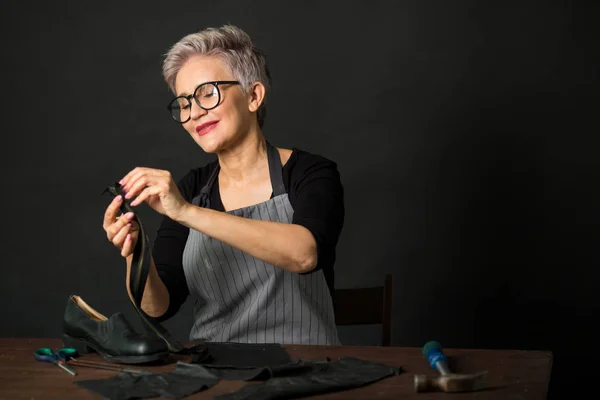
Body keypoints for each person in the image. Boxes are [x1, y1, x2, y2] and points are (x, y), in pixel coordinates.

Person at [102, 25, 344, 345]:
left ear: (254, 96)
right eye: (185, 102)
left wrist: (186, 212)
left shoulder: (309, 172)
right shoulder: (192, 188)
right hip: (214, 369)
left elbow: (304, 255)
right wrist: (136, 254)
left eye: (208, 93)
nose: (194, 113)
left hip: (306, 367)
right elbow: (159, 307)